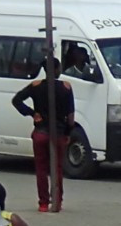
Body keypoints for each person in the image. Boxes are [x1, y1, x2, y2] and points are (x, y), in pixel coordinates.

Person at [11, 59, 76, 211]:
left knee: (41, 169)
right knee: (57, 168)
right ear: (58, 69)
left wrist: (32, 113)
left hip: (40, 133)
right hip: (58, 133)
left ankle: (43, 203)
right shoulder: (66, 87)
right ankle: (57, 201)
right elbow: (71, 117)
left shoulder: (36, 86)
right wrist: (68, 132)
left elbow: (16, 100)